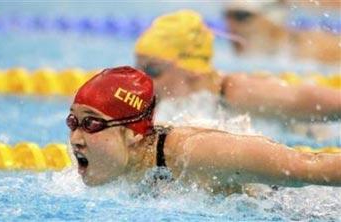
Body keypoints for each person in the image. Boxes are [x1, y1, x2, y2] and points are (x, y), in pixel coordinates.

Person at [68, 66, 341, 194]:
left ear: (133, 134)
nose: (76, 139)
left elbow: (306, 166)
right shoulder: (111, 162)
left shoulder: (198, 154)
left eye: (91, 123)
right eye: (73, 122)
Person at [135, 10, 341, 121]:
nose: (143, 81)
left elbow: (306, 98)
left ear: (193, 69)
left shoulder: (239, 92)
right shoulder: (176, 103)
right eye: (139, 69)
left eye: (153, 70)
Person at [223, 0, 341, 64]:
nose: (231, 24)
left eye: (241, 16)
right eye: (227, 16)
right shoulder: (237, 57)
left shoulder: (314, 49)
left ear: (271, 19)